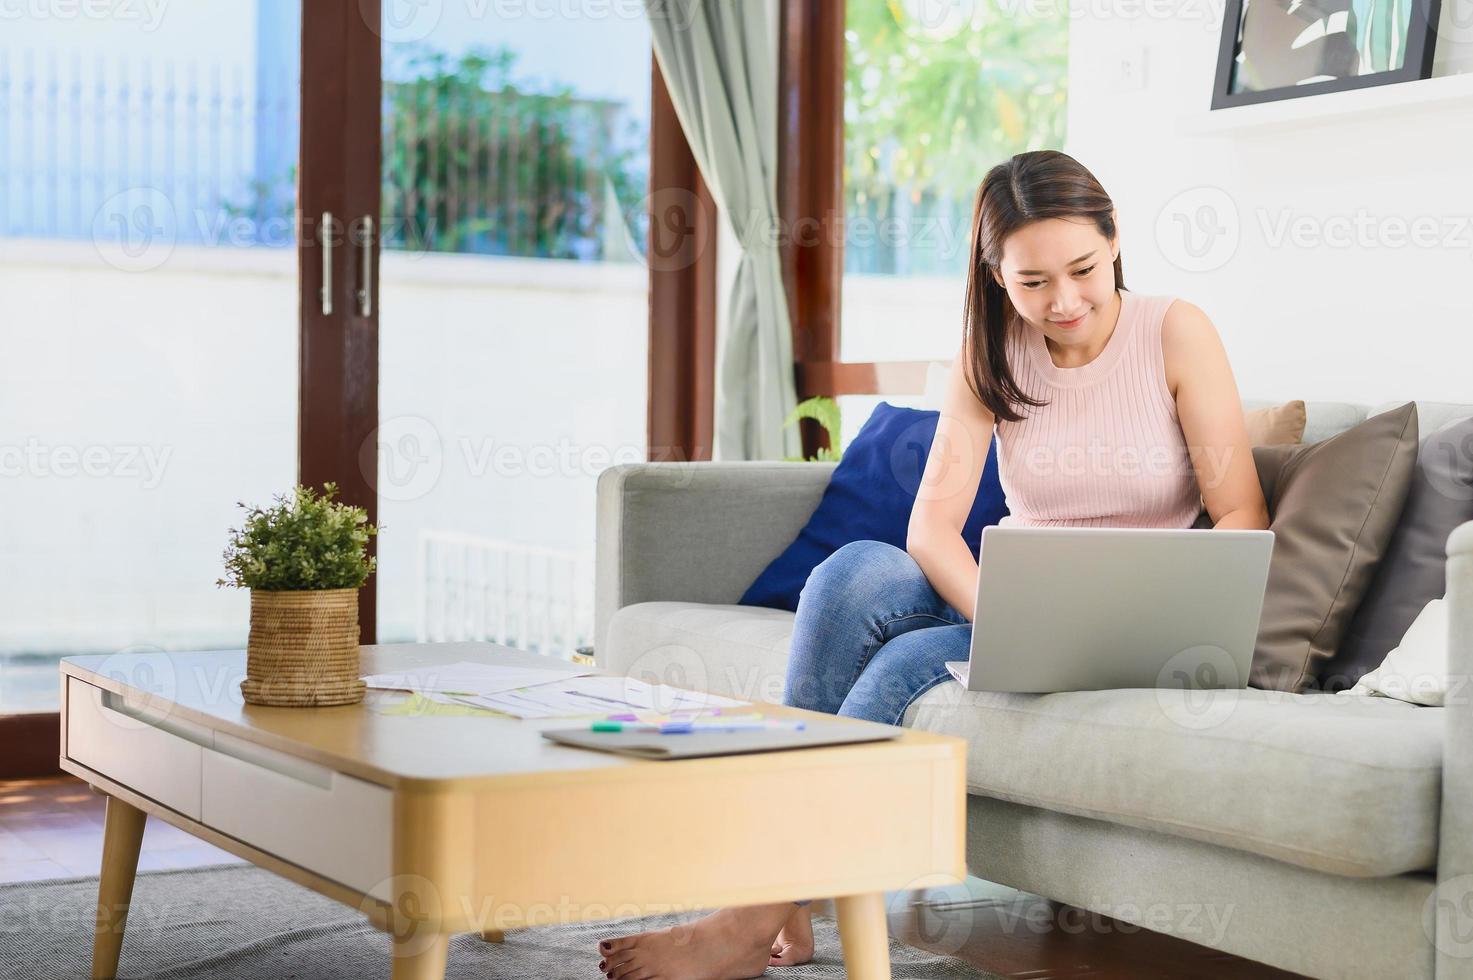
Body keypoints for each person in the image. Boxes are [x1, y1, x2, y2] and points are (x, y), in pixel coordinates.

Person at [593, 149, 1270, 980]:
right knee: (847, 574)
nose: (1062, 302)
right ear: (993, 276)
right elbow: (931, 532)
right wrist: (1003, 613)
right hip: (1004, 597)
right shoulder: (987, 357)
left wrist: (1196, 622)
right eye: (1030, 282)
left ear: (1114, 236)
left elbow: (1240, 509)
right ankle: (778, 903)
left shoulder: (1174, 332)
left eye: (1083, 270)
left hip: (1121, 621)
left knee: (897, 671)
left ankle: (754, 911)